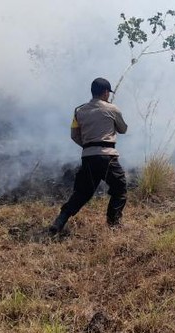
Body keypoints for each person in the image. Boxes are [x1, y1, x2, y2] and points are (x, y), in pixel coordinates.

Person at [49, 77, 128, 234]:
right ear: (106, 92)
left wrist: (89, 147)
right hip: (107, 157)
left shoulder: (79, 111)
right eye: (108, 93)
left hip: (88, 158)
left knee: (82, 193)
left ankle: (60, 220)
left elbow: (74, 135)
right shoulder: (113, 109)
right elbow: (123, 129)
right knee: (120, 189)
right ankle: (113, 224)